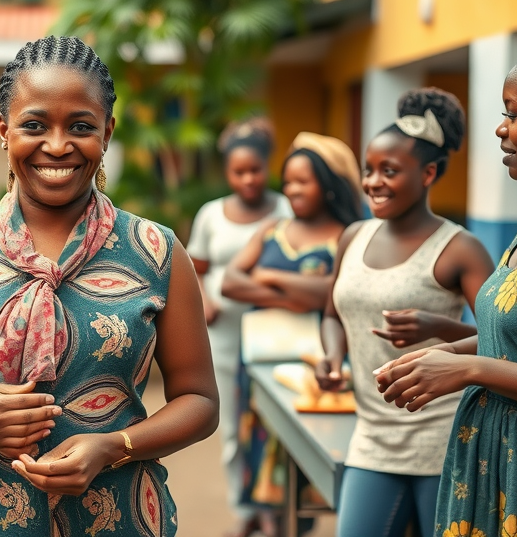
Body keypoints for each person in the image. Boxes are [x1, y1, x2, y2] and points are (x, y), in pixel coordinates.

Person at [0, 35, 219, 536]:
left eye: (81, 126)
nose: (58, 145)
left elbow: (200, 401)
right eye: (35, 125)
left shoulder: (156, 251)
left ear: (107, 131)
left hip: (118, 518)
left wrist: (114, 446)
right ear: (4, 130)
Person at [377, 8, 517, 537]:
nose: (501, 127)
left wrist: (469, 371)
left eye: (514, 111)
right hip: (495, 466)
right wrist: (446, 354)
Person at [315, 88, 494, 537]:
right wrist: (332, 358)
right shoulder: (352, 236)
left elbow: (504, 338)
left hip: (443, 436)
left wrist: (438, 327)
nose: (373, 182)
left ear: (429, 173)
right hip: (372, 435)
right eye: (368, 170)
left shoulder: (461, 249)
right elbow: (332, 314)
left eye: (389, 171)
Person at [221, 131, 363, 535]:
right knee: (260, 447)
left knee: (309, 455)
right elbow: (230, 282)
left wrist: (267, 277)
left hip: (318, 366)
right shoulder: (273, 229)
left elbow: (334, 293)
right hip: (262, 361)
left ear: (328, 184)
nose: (293, 189)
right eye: (289, 181)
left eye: (305, 180)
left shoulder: (348, 236)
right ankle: (265, 521)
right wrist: (295, 293)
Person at [186, 118, 292, 536]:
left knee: (271, 426)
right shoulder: (212, 215)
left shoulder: (285, 209)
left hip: (276, 332)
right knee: (230, 428)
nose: (249, 179)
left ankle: (274, 507)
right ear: (228, 172)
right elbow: (196, 270)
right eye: (239, 171)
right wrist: (207, 300)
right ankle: (244, 508)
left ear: (268, 167)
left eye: (256, 170)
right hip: (223, 338)